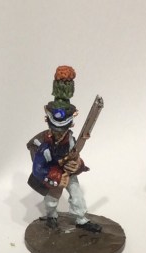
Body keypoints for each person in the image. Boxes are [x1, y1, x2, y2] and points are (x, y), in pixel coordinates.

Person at [28, 66, 102, 232]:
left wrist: (78, 165)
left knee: (77, 196)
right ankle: (51, 217)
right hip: (54, 174)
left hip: (68, 173)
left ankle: (81, 219)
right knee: (51, 200)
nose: (59, 133)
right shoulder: (45, 146)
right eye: (55, 129)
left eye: (62, 130)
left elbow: (75, 156)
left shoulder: (70, 140)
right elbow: (37, 169)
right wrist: (55, 176)